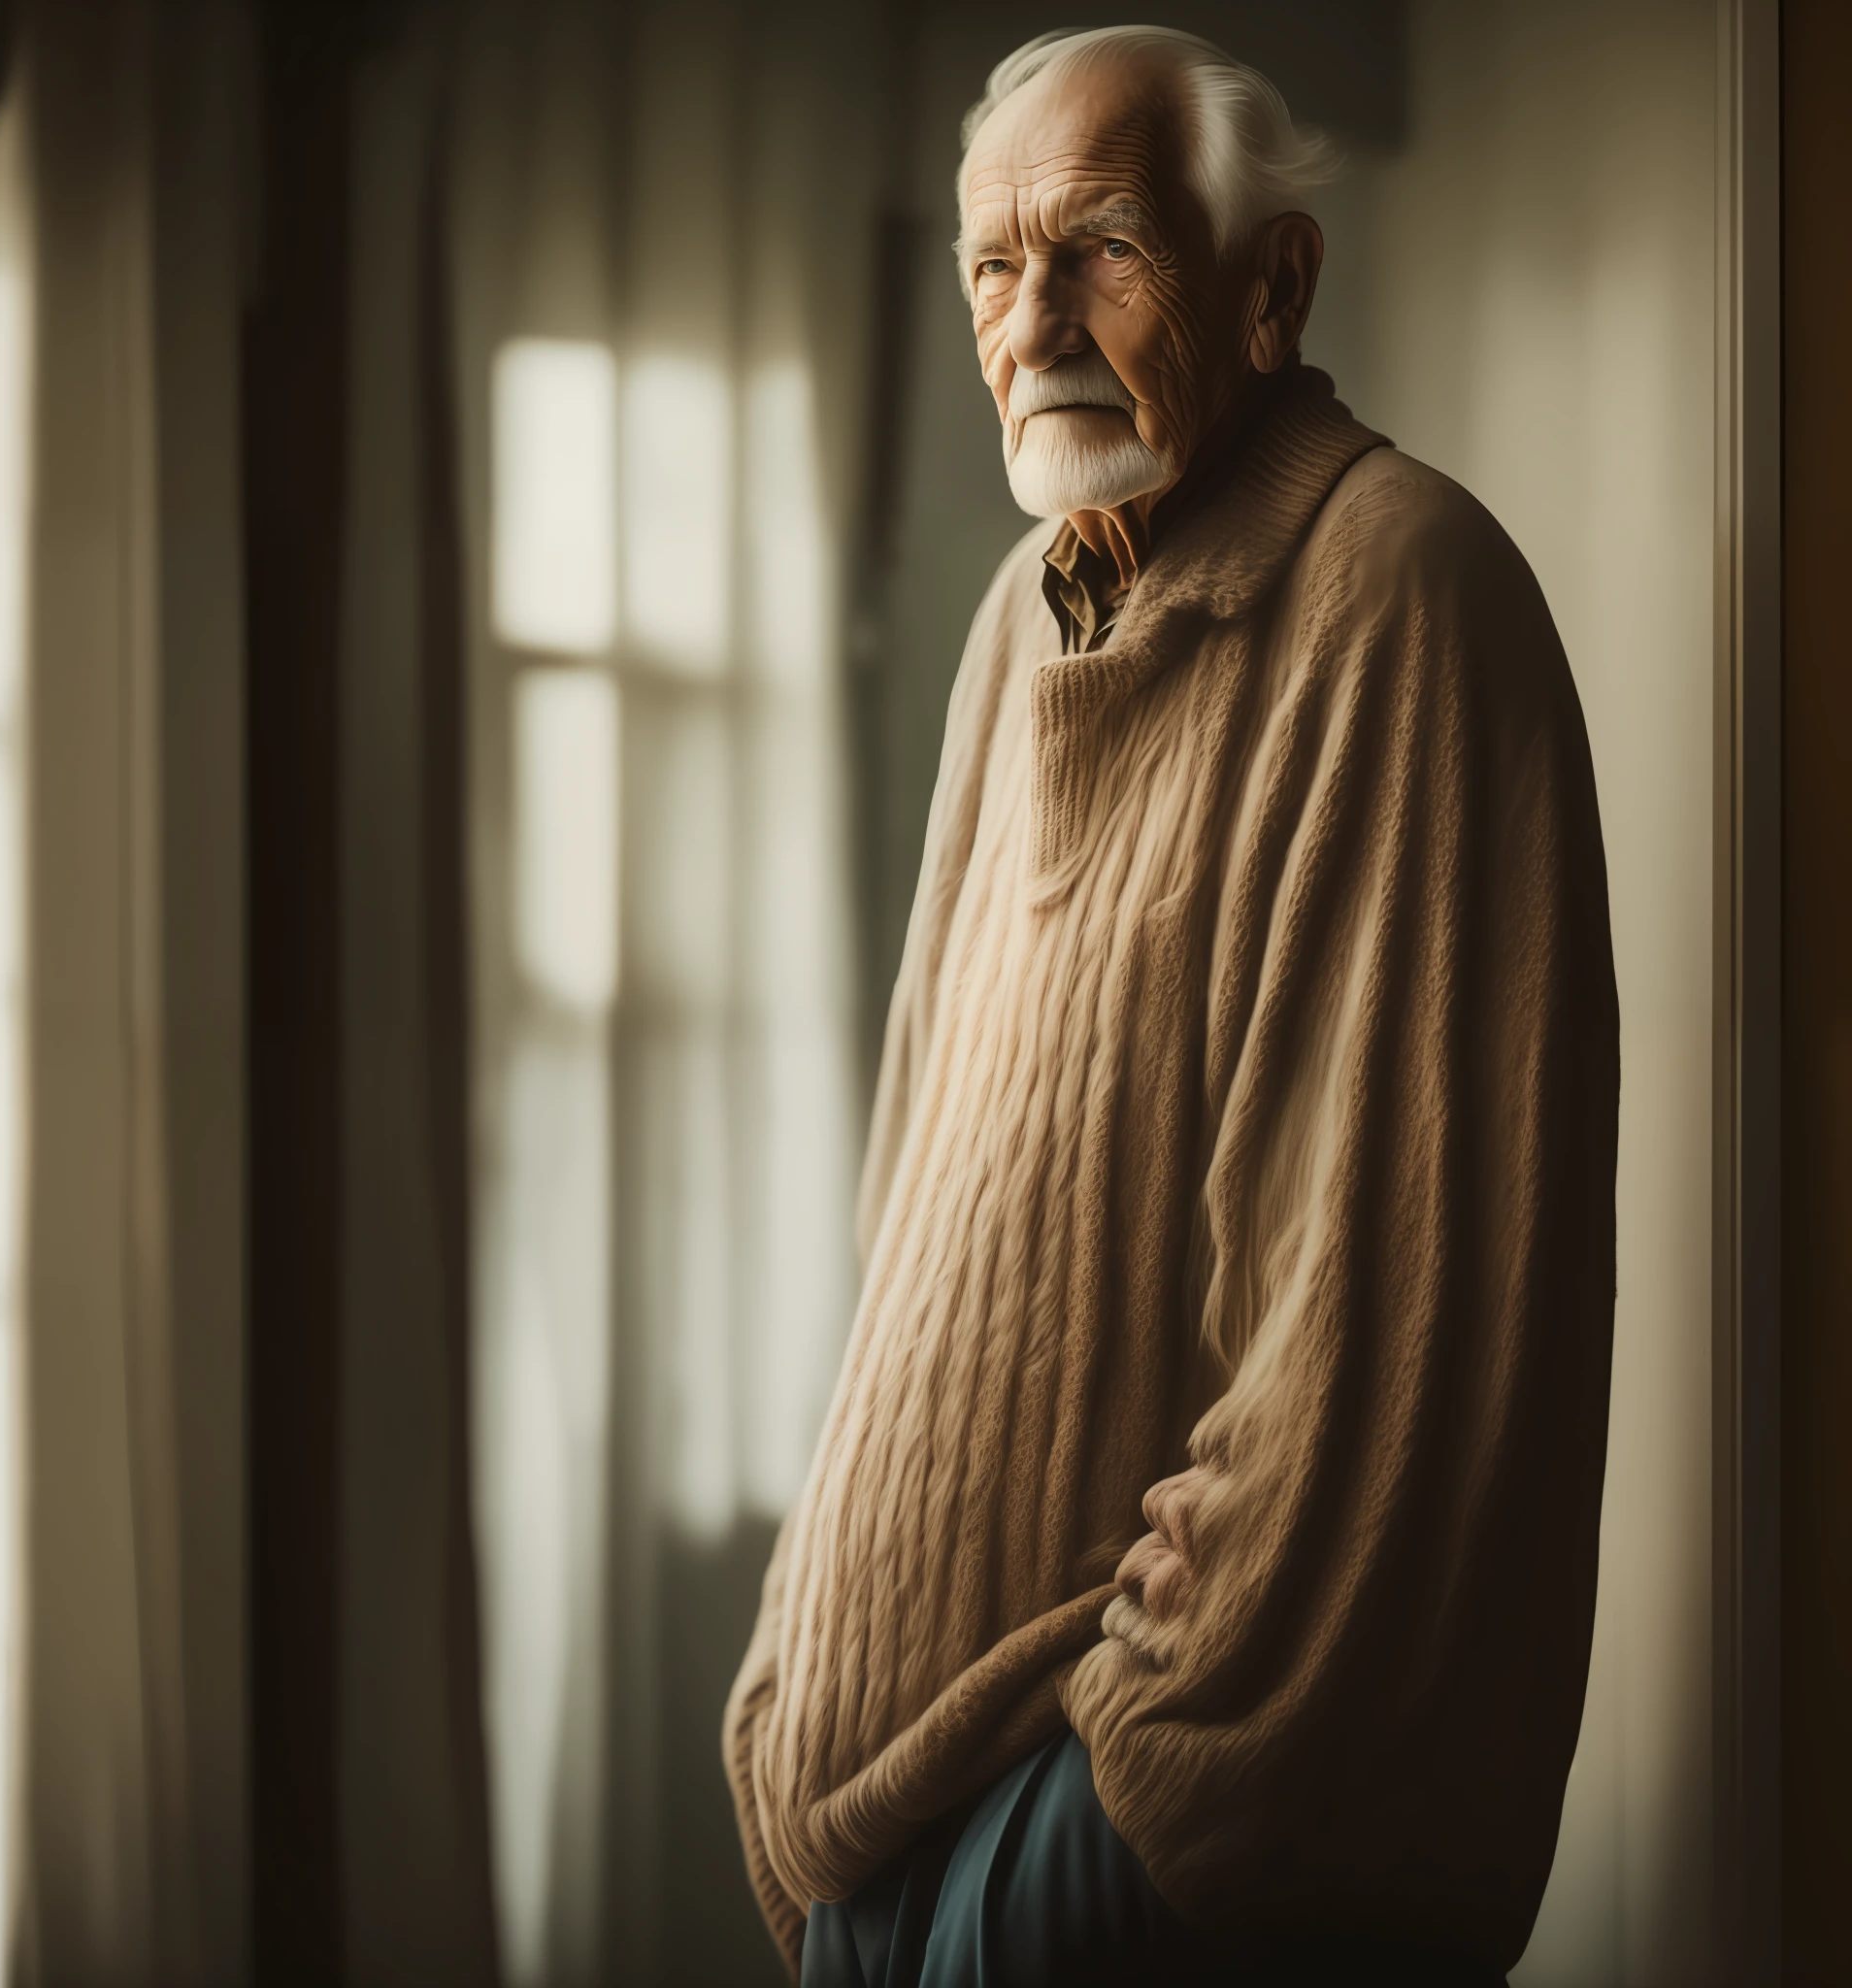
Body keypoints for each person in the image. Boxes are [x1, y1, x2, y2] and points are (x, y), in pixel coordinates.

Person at [724, 27, 1618, 1986]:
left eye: (1103, 249)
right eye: (990, 263)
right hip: (883, 1798)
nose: (1030, 315)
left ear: (1268, 286)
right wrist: (807, 1683)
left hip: (1116, 1842)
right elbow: (918, 1223)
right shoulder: (1014, 611)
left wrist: (1107, 1822)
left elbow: (1372, 1351)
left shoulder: (1403, 591)